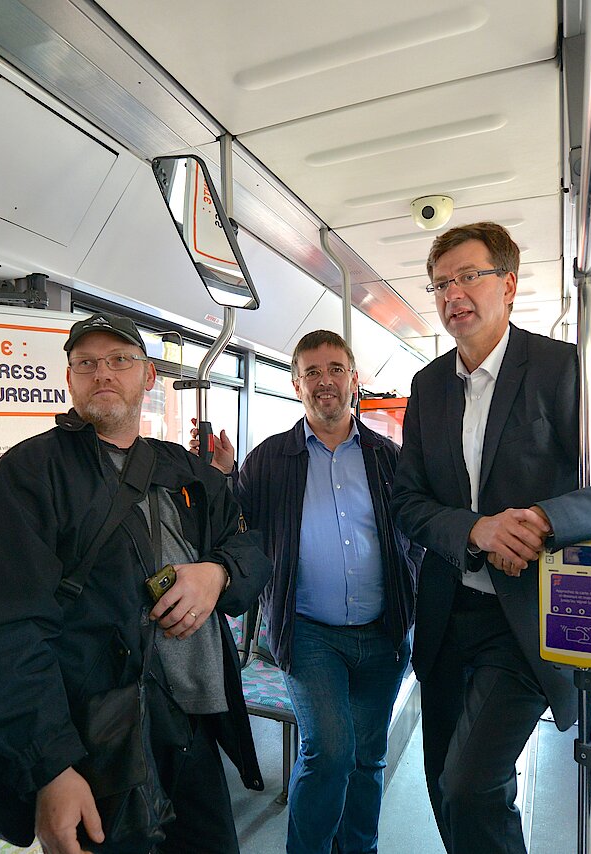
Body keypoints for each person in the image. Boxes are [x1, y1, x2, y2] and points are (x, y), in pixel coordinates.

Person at [392, 221, 591, 854]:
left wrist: (549, 519)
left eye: (469, 276)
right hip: (446, 615)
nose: (452, 294)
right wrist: (474, 529)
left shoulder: (564, 370)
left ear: (510, 284)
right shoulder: (428, 385)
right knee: (446, 785)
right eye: (441, 283)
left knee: (471, 784)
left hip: (525, 618)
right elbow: (408, 503)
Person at [0, 312, 271, 854]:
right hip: (97, 736)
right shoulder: (29, 474)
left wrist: (218, 572)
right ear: (69, 380)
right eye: (87, 364)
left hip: (191, 726)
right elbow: (1, 634)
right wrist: (52, 766)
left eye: (120, 361)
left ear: (149, 378)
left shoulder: (184, 470)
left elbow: (250, 546)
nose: (104, 373)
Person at [205, 329, 422, 854]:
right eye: (312, 373)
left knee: (368, 756)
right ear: (297, 384)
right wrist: (220, 476)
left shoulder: (387, 457)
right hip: (307, 633)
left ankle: (359, 849)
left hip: (383, 632)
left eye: (335, 369)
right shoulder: (269, 460)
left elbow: (415, 531)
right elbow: (236, 527)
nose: (325, 381)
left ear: (353, 380)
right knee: (329, 751)